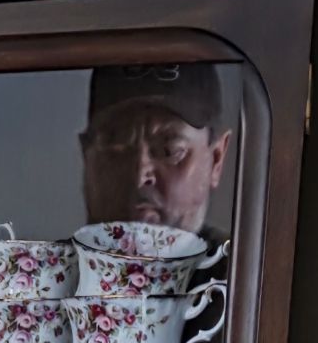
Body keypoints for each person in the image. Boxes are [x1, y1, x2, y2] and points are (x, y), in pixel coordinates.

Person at [79, 60, 233, 238]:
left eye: (169, 151)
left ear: (216, 160)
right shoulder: (49, 263)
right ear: (86, 157)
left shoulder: (250, 263)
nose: (139, 176)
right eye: (115, 147)